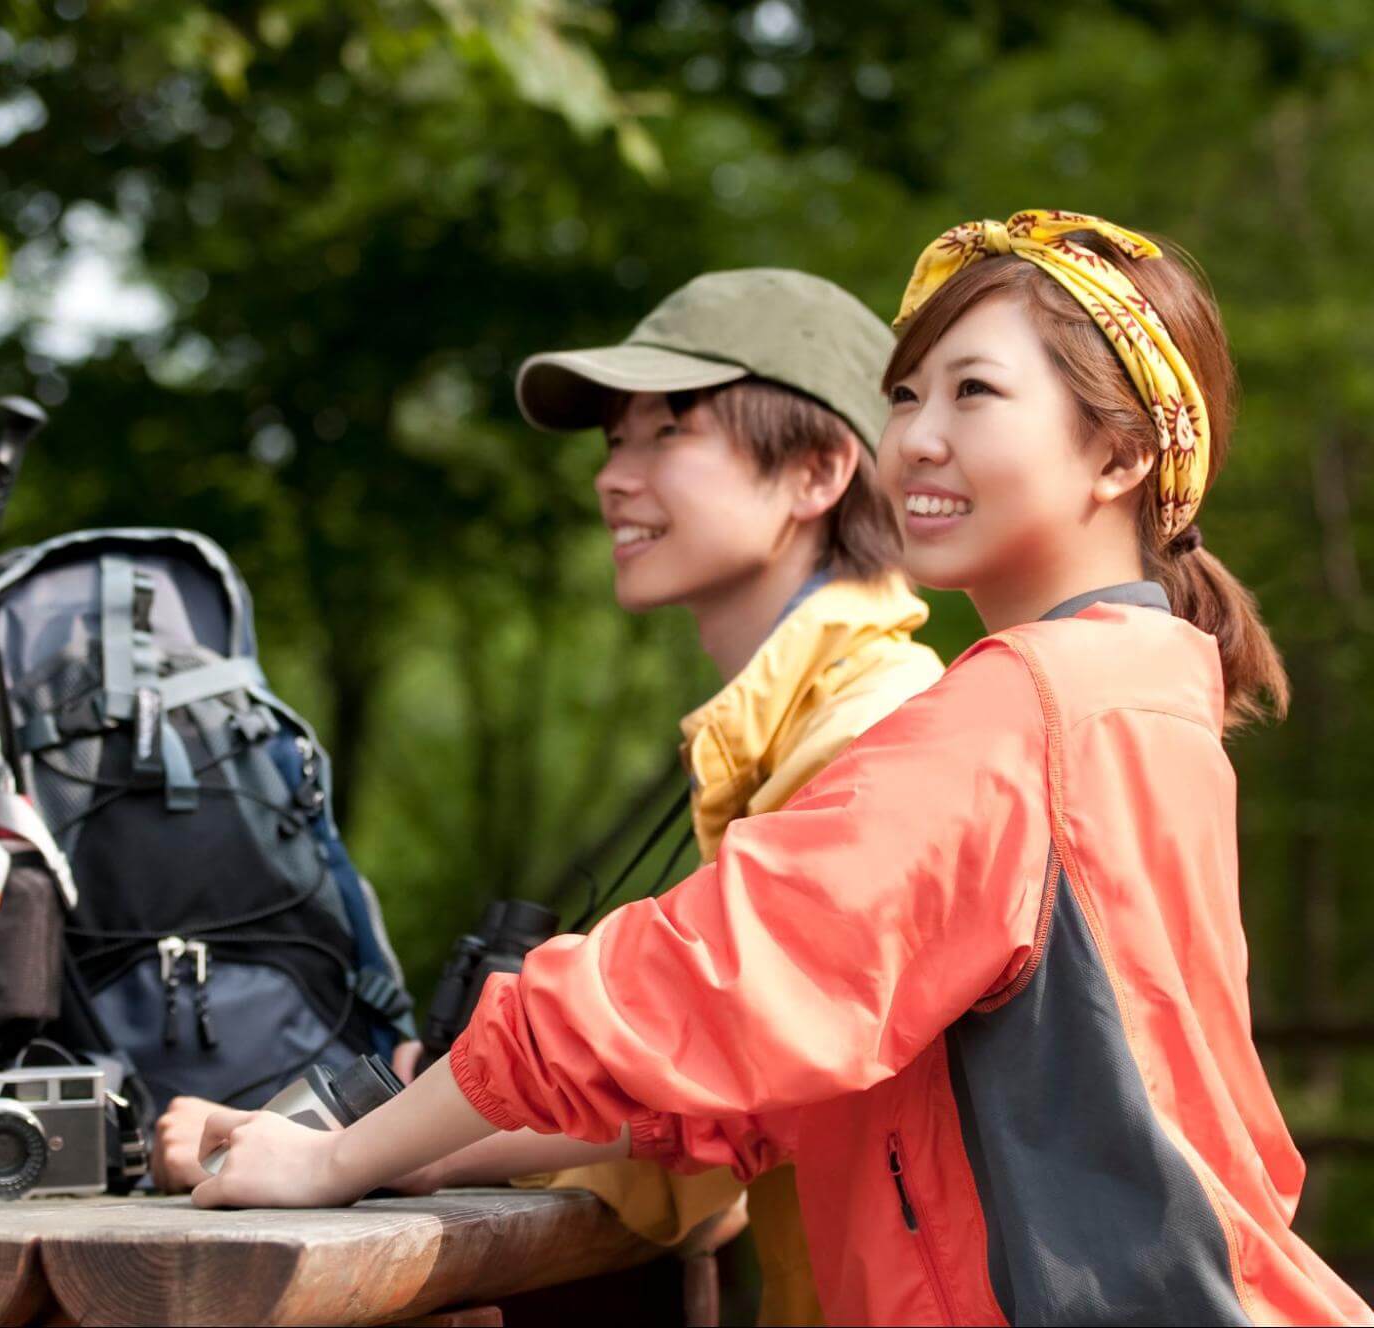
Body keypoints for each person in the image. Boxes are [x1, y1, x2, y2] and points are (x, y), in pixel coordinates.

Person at [191, 211, 1374, 1327]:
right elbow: (754, 1076)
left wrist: (341, 1154)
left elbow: (699, 976)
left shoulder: (1020, 712)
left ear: (1116, 452)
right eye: (904, 393)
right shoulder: (1146, 695)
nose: (913, 433)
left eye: (974, 391)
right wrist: (413, 1130)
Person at [156, 271, 943, 1326]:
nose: (614, 478)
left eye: (666, 433)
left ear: (815, 469)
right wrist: (395, 1122)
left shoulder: (874, 731)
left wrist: (357, 1150)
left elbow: (728, 1083)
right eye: (612, 443)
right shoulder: (782, 734)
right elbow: (704, 1105)